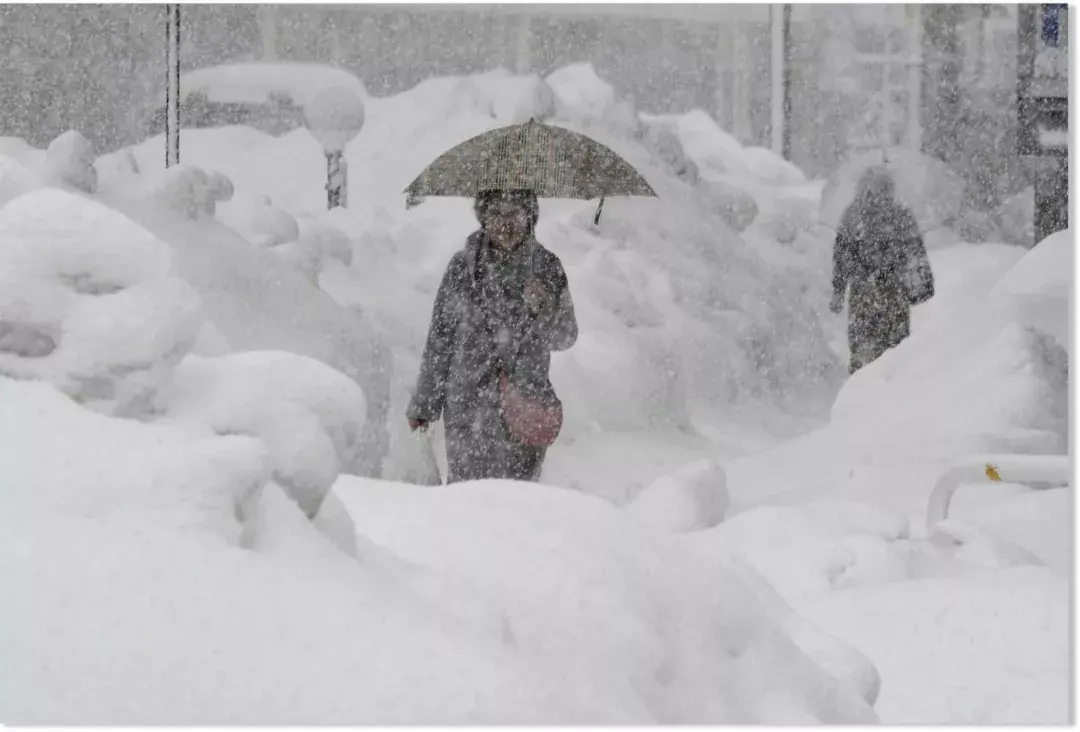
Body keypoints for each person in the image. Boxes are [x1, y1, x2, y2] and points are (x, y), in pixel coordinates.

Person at [406, 188, 578, 483]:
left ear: (530, 216)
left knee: (518, 506)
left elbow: (565, 336)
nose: (505, 223)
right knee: (466, 501)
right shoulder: (462, 268)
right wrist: (424, 404)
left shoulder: (547, 267)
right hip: (467, 409)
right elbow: (440, 339)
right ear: (482, 217)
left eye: (514, 213)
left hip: (524, 406)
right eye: (495, 213)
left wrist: (545, 307)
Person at [830, 169, 934, 374]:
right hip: (894, 294)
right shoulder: (902, 215)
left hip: (864, 294)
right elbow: (915, 256)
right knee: (896, 350)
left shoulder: (852, 216)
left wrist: (840, 290)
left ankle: (861, 391)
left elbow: (842, 258)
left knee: (863, 348)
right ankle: (892, 390)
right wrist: (921, 287)